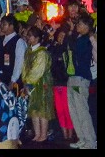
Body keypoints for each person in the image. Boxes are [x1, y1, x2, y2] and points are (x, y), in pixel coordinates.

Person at [66, 15, 97, 149]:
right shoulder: (78, 37)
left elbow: (76, 51)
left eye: (80, 24)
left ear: (87, 26)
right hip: (72, 77)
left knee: (82, 110)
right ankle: (82, 138)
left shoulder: (87, 40)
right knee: (74, 110)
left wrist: (71, 32)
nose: (77, 26)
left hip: (81, 78)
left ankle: (90, 141)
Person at [20, 26, 53, 143]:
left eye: (31, 36)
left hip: (41, 84)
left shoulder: (42, 52)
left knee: (42, 109)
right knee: (33, 109)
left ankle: (43, 134)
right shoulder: (29, 50)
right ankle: (37, 133)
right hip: (30, 83)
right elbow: (24, 67)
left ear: (37, 38)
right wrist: (24, 80)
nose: (28, 38)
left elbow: (38, 70)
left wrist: (28, 81)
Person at [49, 27, 75, 143]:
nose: (61, 38)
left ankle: (70, 134)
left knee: (67, 109)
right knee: (60, 110)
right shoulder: (53, 48)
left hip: (66, 83)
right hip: (56, 83)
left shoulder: (68, 50)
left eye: (63, 36)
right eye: (59, 35)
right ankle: (65, 134)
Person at [0, 15, 26, 91]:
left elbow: (19, 63)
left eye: (4, 24)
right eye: (1, 24)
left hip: (13, 81)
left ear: (11, 26)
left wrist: (13, 80)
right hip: (0, 79)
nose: (1, 26)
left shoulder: (19, 42)